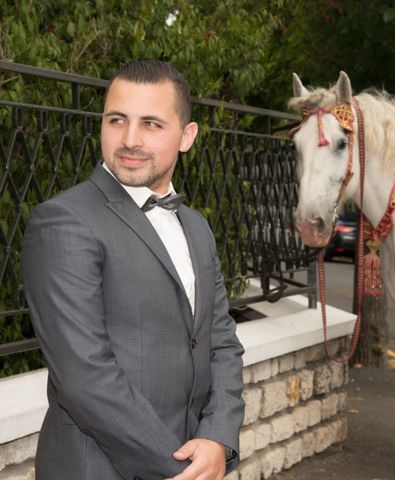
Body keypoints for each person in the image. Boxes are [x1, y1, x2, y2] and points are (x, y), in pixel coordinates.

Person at [22, 59, 245, 480]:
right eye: (117, 119)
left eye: (152, 124)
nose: (129, 139)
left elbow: (221, 344)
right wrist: (178, 469)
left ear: (187, 136)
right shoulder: (64, 221)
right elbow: (85, 376)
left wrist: (218, 439)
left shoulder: (197, 228)